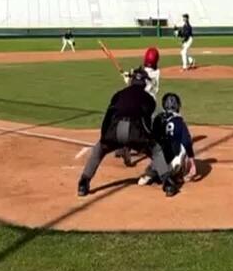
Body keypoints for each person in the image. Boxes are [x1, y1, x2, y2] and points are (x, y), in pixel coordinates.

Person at [76, 67, 179, 198]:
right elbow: (147, 122)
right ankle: (168, 183)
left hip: (114, 131)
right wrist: (149, 140)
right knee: (156, 150)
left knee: (98, 150)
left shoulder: (118, 94)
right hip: (135, 132)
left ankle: (83, 183)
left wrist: (104, 138)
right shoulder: (149, 99)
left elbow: (108, 116)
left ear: (131, 81)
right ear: (144, 83)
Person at [140, 92, 197, 186]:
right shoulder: (179, 121)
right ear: (178, 106)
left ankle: (152, 172)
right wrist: (193, 164)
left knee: (156, 147)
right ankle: (177, 174)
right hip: (173, 164)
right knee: (183, 145)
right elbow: (187, 142)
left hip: (158, 163)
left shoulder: (158, 119)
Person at [117, 47, 161, 167]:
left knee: (136, 125)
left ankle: (125, 146)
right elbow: (141, 77)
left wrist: (128, 78)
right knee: (147, 129)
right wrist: (130, 76)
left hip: (139, 102)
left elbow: (136, 82)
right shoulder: (157, 72)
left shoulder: (142, 73)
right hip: (149, 104)